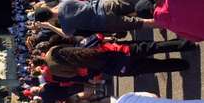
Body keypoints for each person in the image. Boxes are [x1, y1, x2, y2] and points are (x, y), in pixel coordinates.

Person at [43, 39, 194, 77]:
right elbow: (100, 38)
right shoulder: (84, 46)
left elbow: (82, 74)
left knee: (154, 66)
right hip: (121, 51)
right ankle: (186, 44)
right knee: (154, 47)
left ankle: (182, 64)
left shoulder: (82, 68)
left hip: (117, 68)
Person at [33, 0, 155, 38]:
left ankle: (165, 20)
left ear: (48, 19)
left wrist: (49, 26)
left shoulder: (65, 24)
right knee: (139, 5)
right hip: (105, 4)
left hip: (104, 21)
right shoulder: (64, 2)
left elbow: (67, 35)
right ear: (47, 7)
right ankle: (162, 3)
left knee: (141, 23)